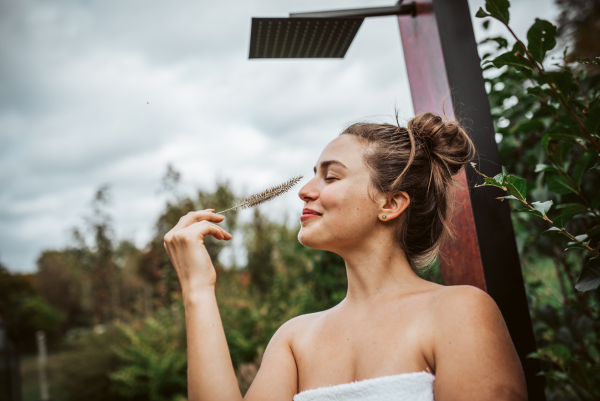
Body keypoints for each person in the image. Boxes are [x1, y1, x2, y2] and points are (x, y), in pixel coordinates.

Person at [163, 112, 528, 401]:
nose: (305, 191)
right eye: (312, 177)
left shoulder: (458, 311)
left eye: (331, 177)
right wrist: (197, 289)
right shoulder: (294, 340)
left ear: (390, 203)